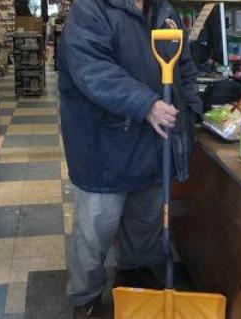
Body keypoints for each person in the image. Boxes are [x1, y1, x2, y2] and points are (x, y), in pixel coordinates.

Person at [58, 0, 202, 318]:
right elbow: (94, 72)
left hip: (153, 144)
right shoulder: (90, 10)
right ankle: (86, 297)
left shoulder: (164, 11)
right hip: (104, 146)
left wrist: (191, 107)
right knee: (96, 229)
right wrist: (146, 104)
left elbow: (184, 68)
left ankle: (134, 281)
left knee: (145, 223)